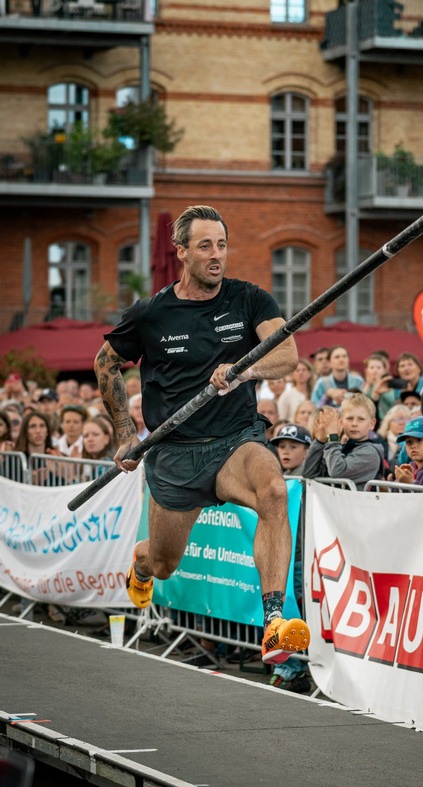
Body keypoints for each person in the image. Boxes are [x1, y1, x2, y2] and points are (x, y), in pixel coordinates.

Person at [93, 204, 309, 665]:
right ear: (182, 252)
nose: (217, 255)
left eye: (222, 245)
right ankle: (141, 562)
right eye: (205, 245)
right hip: (174, 454)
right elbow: (105, 362)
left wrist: (243, 369)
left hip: (235, 440)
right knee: (165, 564)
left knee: (273, 490)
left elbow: (287, 355)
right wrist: (125, 433)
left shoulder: (249, 299)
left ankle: (274, 623)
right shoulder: (151, 313)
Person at [267, 423, 313, 693]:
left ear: (307, 451)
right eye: (282, 446)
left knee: (294, 613)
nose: (285, 451)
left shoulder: (304, 477)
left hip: (299, 557)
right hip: (281, 555)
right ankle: (285, 664)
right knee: (280, 612)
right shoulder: (276, 476)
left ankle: (293, 669)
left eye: (293, 447)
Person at [302, 393, 383, 490]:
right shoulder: (338, 446)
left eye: (361, 419)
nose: (354, 424)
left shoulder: (370, 452)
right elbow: (308, 474)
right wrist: (320, 441)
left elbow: (337, 472)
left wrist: (333, 438)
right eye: (349, 418)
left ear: (372, 424)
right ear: (341, 422)